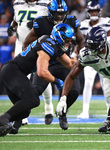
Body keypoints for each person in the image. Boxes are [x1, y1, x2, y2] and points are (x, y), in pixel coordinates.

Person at [0, 23, 75, 137]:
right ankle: (3, 119)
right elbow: (41, 72)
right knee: (33, 99)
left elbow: (70, 63)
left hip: (13, 72)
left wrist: (86, 60)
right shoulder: (48, 45)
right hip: (13, 71)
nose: (69, 43)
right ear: (59, 37)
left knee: (24, 111)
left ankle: (3, 120)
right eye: (67, 40)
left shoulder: (55, 46)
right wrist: (57, 81)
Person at [23, 0, 84, 130]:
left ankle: (62, 113)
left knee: (74, 92)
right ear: (50, 13)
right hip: (47, 62)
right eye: (57, 14)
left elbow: (81, 40)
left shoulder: (72, 21)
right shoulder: (41, 23)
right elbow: (26, 42)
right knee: (33, 94)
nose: (60, 17)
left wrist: (78, 55)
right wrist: (31, 61)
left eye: (62, 14)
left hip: (65, 63)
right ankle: (18, 119)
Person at [7, 0, 51, 125]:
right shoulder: (17, 3)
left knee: (41, 75)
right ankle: (22, 115)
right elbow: (16, 21)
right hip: (20, 45)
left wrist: (39, 25)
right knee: (20, 80)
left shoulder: (45, 3)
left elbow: (52, 21)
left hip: (38, 45)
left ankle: (48, 106)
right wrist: (12, 27)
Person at [77, 0, 110, 119]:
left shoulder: (106, 22)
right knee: (88, 83)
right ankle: (85, 111)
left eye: (95, 11)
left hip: (104, 58)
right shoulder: (83, 24)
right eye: (91, 11)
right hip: (90, 57)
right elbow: (81, 42)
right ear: (88, 12)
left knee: (106, 84)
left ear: (99, 12)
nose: (93, 13)